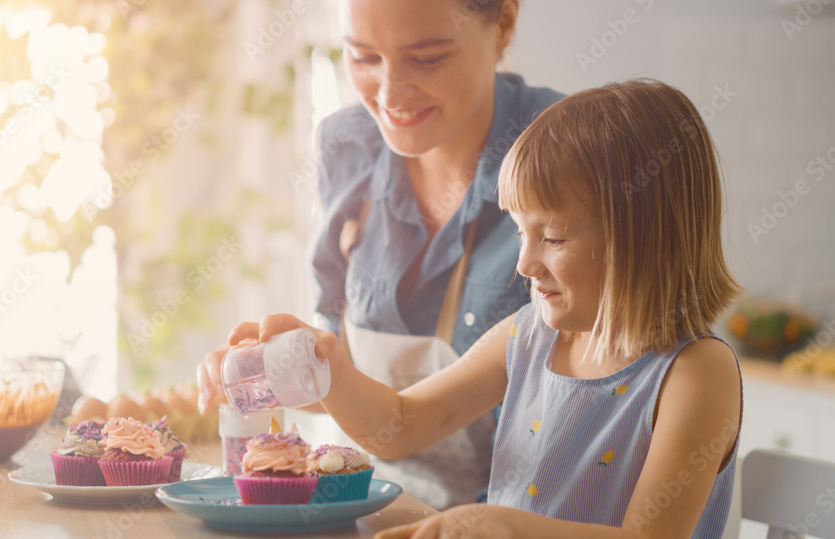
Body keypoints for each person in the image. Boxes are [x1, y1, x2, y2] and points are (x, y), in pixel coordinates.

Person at [214, 79, 744, 539]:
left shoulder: (695, 372)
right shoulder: (530, 335)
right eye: (519, 233)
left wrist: (507, 527)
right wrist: (326, 367)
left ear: (643, 237)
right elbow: (402, 424)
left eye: (553, 238)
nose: (524, 264)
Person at [197, 0, 564, 509]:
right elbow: (338, 376)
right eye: (364, 57)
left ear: (503, 21)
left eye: (428, 58)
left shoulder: (574, 152)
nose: (390, 94)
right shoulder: (345, 145)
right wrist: (269, 368)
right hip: (364, 514)